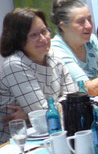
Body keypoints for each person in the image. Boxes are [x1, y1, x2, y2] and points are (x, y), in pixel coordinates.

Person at [0, 8, 77, 142]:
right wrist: (41, 113)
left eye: (44, 31)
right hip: (17, 143)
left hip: (53, 133)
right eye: (34, 35)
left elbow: (76, 100)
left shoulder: (53, 56)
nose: (43, 39)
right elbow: (42, 111)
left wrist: (30, 114)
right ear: (18, 40)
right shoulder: (14, 65)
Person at [50, 0, 98, 96]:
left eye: (89, 19)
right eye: (81, 22)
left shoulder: (91, 40)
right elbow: (87, 90)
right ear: (63, 26)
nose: (89, 26)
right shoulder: (56, 48)